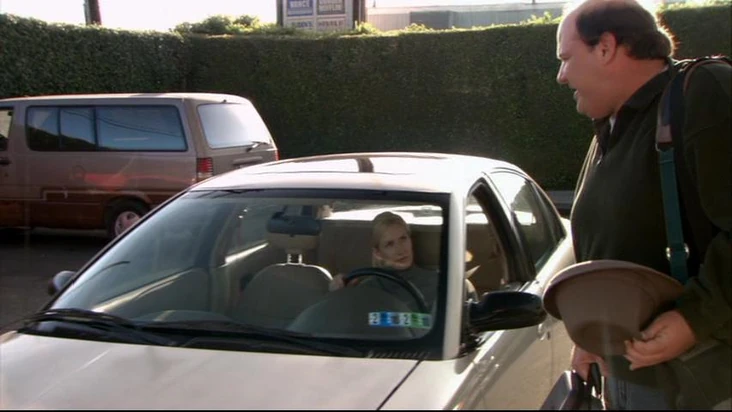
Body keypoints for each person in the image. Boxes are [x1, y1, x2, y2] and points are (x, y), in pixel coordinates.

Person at [555, 0, 731, 409]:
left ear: (605, 47)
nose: (561, 76)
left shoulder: (704, 91)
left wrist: (694, 318)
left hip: (702, 382)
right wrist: (593, 334)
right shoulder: (615, 126)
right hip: (631, 377)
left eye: (566, 58)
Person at [329, 211, 439, 312]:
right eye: (389, 244)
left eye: (403, 238)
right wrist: (338, 295)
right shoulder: (366, 289)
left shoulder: (437, 282)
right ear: (378, 253)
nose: (401, 250)